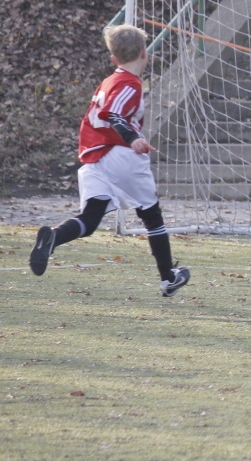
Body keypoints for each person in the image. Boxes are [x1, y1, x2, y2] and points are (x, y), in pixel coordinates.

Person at [28, 25, 191, 296]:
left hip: (95, 158)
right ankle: (168, 278)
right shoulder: (129, 84)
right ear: (144, 53)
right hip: (121, 155)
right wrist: (132, 139)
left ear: (114, 59)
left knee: (89, 220)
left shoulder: (109, 81)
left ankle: (53, 237)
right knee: (152, 217)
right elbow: (113, 114)